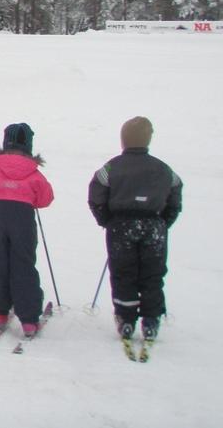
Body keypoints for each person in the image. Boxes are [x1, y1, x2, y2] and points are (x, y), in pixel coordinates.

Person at [88, 116, 183, 341]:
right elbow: (176, 192)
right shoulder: (163, 168)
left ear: (124, 140)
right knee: (153, 273)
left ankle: (126, 318)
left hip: (121, 225)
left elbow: (96, 193)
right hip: (153, 225)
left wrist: (106, 219)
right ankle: (151, 319)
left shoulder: (112, 167)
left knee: (123, 272)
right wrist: (164, 220)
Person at [0, 123, 54, 336]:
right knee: (23, 264)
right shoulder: (33, 171)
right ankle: (28, 318)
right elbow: (45, 198)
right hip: (23, 216)